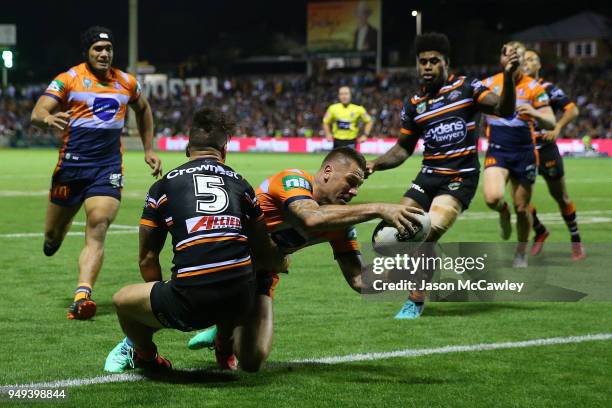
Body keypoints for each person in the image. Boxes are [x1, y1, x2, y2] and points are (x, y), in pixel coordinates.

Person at [188, 147, 425, 371]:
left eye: (358, 186)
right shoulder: (294, 180)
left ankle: (226, 325)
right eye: (351, 182)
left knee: (251, 361)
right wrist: (378, 208)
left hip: (262, 272)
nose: (354, 192)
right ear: (327, 172)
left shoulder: (340, 224)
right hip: (225, 261)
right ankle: (224, 333)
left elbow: (359, 278)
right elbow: (311, 218)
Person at [104, 108, 286, 373]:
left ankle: (145, 355)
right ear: (224, 151)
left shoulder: (162, 187)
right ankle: (224, 344)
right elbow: (261, 249)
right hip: (241, 301)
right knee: (232, 274)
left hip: (189, 303)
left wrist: (159, 301)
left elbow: (147, 258)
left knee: (122, 301)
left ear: (188, 149)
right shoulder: (242, 185)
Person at [366, 32, 519, 319]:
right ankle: (405, 275)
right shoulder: (414, 104)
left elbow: (505, 109)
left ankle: (415, 299)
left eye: (434, 61)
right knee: (399, 228)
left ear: (447, 63)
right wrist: (375, 164)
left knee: (426, 235)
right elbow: (402, 149)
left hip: (459, 177)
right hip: (427, 177)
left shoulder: (469, 88)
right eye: (422, 61)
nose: (427, 66)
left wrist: (508, 77)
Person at [30, 26, 162, 320]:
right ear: (87, 52)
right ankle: (53, 239)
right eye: (97, 49)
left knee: (98, 222)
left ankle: (83, 294)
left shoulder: (127, 82)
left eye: (108, 49)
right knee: (52, 235)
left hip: (107, 168)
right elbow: (37, 113)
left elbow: (144, 109)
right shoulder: (69, 79)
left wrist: (148, 149)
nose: (104, 54)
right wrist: (49, 117)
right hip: (71, 169)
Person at [481, 42, 556, 268]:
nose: (513, 59)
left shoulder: (534, 87)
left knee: (522, 208)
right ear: (501, 59)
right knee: (493, 198)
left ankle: (521, 252)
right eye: (508, 55)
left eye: (518, 56)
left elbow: (551, 120)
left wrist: (534, 112)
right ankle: (503, 212)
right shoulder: (488, 84)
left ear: (523, 61)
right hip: (497, 150)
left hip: (524, 153)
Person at [522, 49, 585, 260]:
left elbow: (572, 110)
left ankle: (576, 239)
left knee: (561, 196)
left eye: (531, 59)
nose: (526, 62)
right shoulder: (514, 90)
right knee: (519, 201)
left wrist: (557, 128)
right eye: (523, 59)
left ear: (538, 66)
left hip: (546, 148)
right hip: (523, 149)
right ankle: (540, 230)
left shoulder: (547, 88)